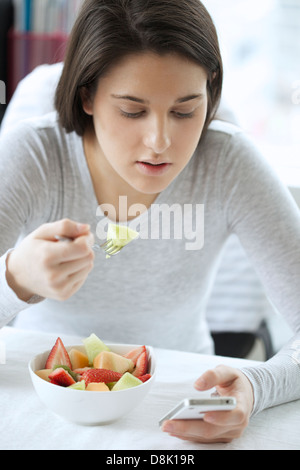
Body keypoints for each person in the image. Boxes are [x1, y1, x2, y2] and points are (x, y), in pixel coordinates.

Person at [0, 0, 299, 444]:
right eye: (132, 111)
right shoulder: (35, 154)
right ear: (87, 94)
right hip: (44, 403)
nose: (160, 142)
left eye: (184, 111)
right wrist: (14, 278)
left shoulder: (229, 161)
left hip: (181, 400)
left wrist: (256, 387)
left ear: (210, 93)